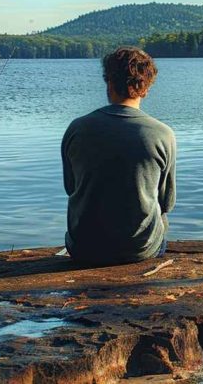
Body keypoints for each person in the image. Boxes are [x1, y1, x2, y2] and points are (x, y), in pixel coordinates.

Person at [62, 46, 176, 265]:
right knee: (160, 216)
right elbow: (167, 202)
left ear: (109, 82)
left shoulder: (77, 129)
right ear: (146, 88)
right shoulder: (162, 134)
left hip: (83, 248)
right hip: (139, 251)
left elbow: (71, 188)